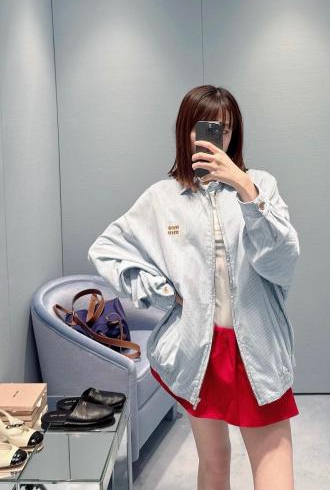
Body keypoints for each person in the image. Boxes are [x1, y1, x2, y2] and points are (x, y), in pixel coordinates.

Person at [88, 85, 300, 490]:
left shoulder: (260, 185)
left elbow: (283, 261)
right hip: (198, 351)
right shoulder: (162, 198)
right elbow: (106, 249)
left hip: (258, 348)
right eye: (205, 127)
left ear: (234, 134)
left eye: (226, 128)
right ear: (186, 131)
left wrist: (246, 191)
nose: (216, 136)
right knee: (214, 461)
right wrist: (164, 293)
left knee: (274, 466)